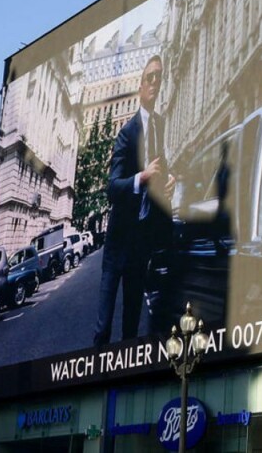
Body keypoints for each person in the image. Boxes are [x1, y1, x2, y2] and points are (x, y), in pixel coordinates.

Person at [93, 55, 175, 346]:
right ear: (140, 86)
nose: (155, 82)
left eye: (159, 78)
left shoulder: (160, 124)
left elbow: (160, 165)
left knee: (131, 329)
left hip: (141, 244)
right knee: (103, 328)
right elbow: (113, 189)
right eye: (150, 77)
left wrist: (168, 181)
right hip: (117, 246)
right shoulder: (126, 133)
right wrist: (141, 178)